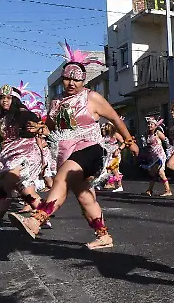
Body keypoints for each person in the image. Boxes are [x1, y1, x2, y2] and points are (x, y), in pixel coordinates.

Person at [10, 43, 138, 249]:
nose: (70, 83)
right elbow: (50, 127)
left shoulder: (91, 97)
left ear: (83, 80)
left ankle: (36, 220)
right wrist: (39, 128)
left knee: (64, 176)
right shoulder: (56, 101)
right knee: (84, 196)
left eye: (75, 79)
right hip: (67, 152)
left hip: (91, 149)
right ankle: (103, 236)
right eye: (67, 78)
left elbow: (115, 118)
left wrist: (130, 141)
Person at [0, 85, 45, 232]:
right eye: (2, 98)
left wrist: (37, 126)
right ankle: (43, 216)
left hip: (25, 155)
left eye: (8, 98)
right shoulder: (1, 118)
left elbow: (37, 125)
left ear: (15, 100)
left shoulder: (23, 114)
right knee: (26, 191)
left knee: (4, 185)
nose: (4, 101)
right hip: (8, 156)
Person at [140, 115, 171, 197]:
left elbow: (166, 141)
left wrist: (170, 151)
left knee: (161, 172)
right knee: (153, 173)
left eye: (151, 124)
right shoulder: (147, 134)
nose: (149, 125)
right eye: (148, 124)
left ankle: (168, 190)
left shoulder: (158, 133)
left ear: (155, 125)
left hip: (160, 155)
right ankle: (149, 190)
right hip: (153, 156)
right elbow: (146, 146)